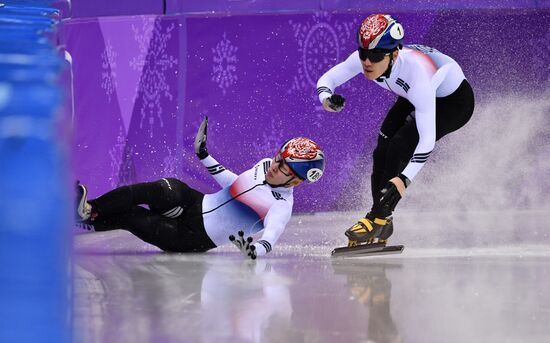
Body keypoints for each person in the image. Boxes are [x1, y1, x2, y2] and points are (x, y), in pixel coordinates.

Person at [316, 14, 474, 246]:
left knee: (400, 144)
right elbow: (327, 79)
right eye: (364, 54)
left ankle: (377, 217)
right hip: (412, 94)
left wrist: (404, 179)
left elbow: (426, 140)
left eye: (376, 55)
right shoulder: (367, 58)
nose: (367, 62)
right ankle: (382, 220)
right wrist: (327, 100)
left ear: (394, 54)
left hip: (454, 103)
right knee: (381, 150)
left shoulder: (418, 76)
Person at [75, 117, 326, 259]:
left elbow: (270, 239)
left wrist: (253, 250)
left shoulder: (281, 207)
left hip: (193, 237)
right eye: (278, 158)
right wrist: (204, 156)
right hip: (195, 202)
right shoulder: (264, 165)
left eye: (283, 168)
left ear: (296, 181)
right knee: (159, 189)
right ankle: (88, 209)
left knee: (133, 217)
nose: (275, 166)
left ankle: (81, 221)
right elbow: (235, 184)